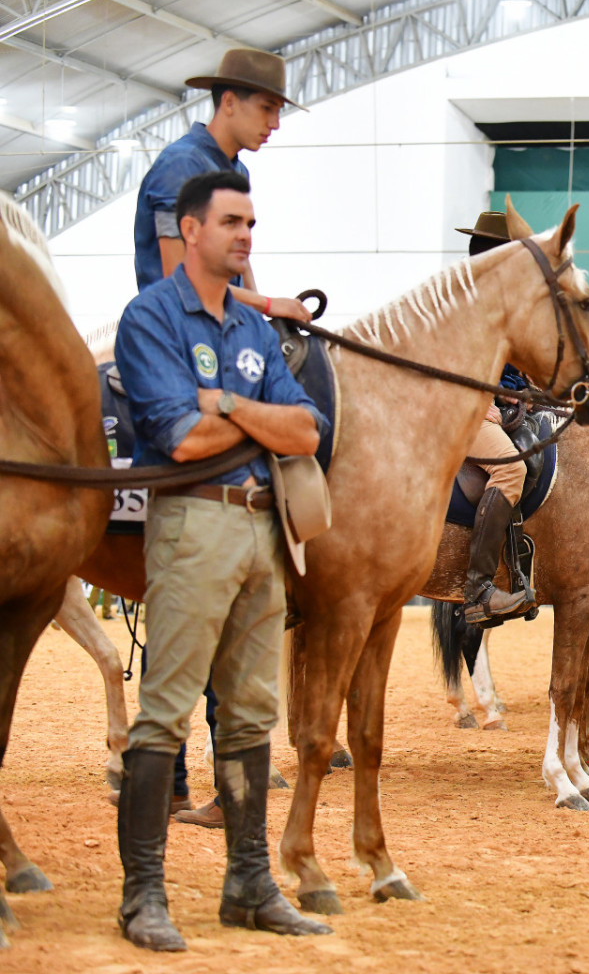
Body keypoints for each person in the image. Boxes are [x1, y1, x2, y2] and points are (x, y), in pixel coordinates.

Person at [113, 171, 332, 951]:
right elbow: (180, 439)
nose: (245, 235)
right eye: (231, 222)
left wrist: (231, 407)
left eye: (251, 223)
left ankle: (248, 883)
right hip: (193, 526)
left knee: (248, 714)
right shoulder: (149, 318)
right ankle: (143, 897)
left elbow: (308, 431)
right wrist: (258, 427)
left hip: (263, 530)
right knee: (167, 712)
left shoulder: (251, 332)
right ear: (192, 231)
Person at [133, 49, 309, 323]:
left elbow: (240, 261)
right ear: (228, 103)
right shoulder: (181, 165)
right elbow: (177, 281)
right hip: (174, 332)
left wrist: (261, 323)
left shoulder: (238, 171)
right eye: (267, 108)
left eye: (277, 112)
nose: (274, 124)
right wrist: (266, 304)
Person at [457, 212, 535, 626]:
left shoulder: (489, 298)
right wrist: (478, 396)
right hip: (459, 410)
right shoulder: (467, 299)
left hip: (487, 402)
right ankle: (478, 589)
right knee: (511, 470)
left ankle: (521, 569)